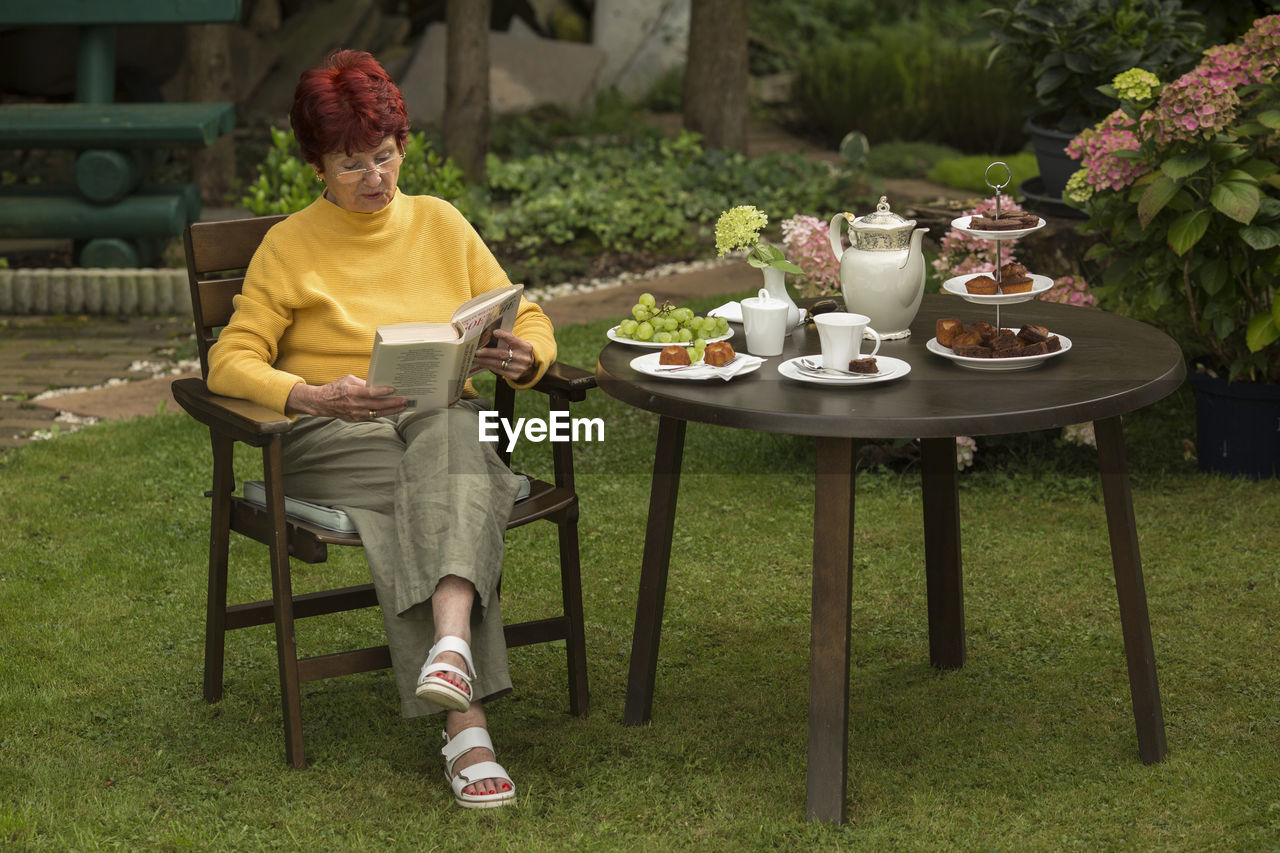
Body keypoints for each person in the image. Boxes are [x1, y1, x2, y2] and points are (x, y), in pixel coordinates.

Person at [207, 49, 556, 809]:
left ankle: (451, 656)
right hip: (329, 436)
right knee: (452, 483)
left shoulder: (440, 222)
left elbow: (521, 313)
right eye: (351, 162)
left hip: (432, 420)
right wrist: (308, 394)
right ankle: (466, 719)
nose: (374, 177)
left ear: (405, 148)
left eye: (386, 156)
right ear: (317, 164)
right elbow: (230, 361)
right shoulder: (288, 246)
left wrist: (527, 354)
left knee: (452, 443)